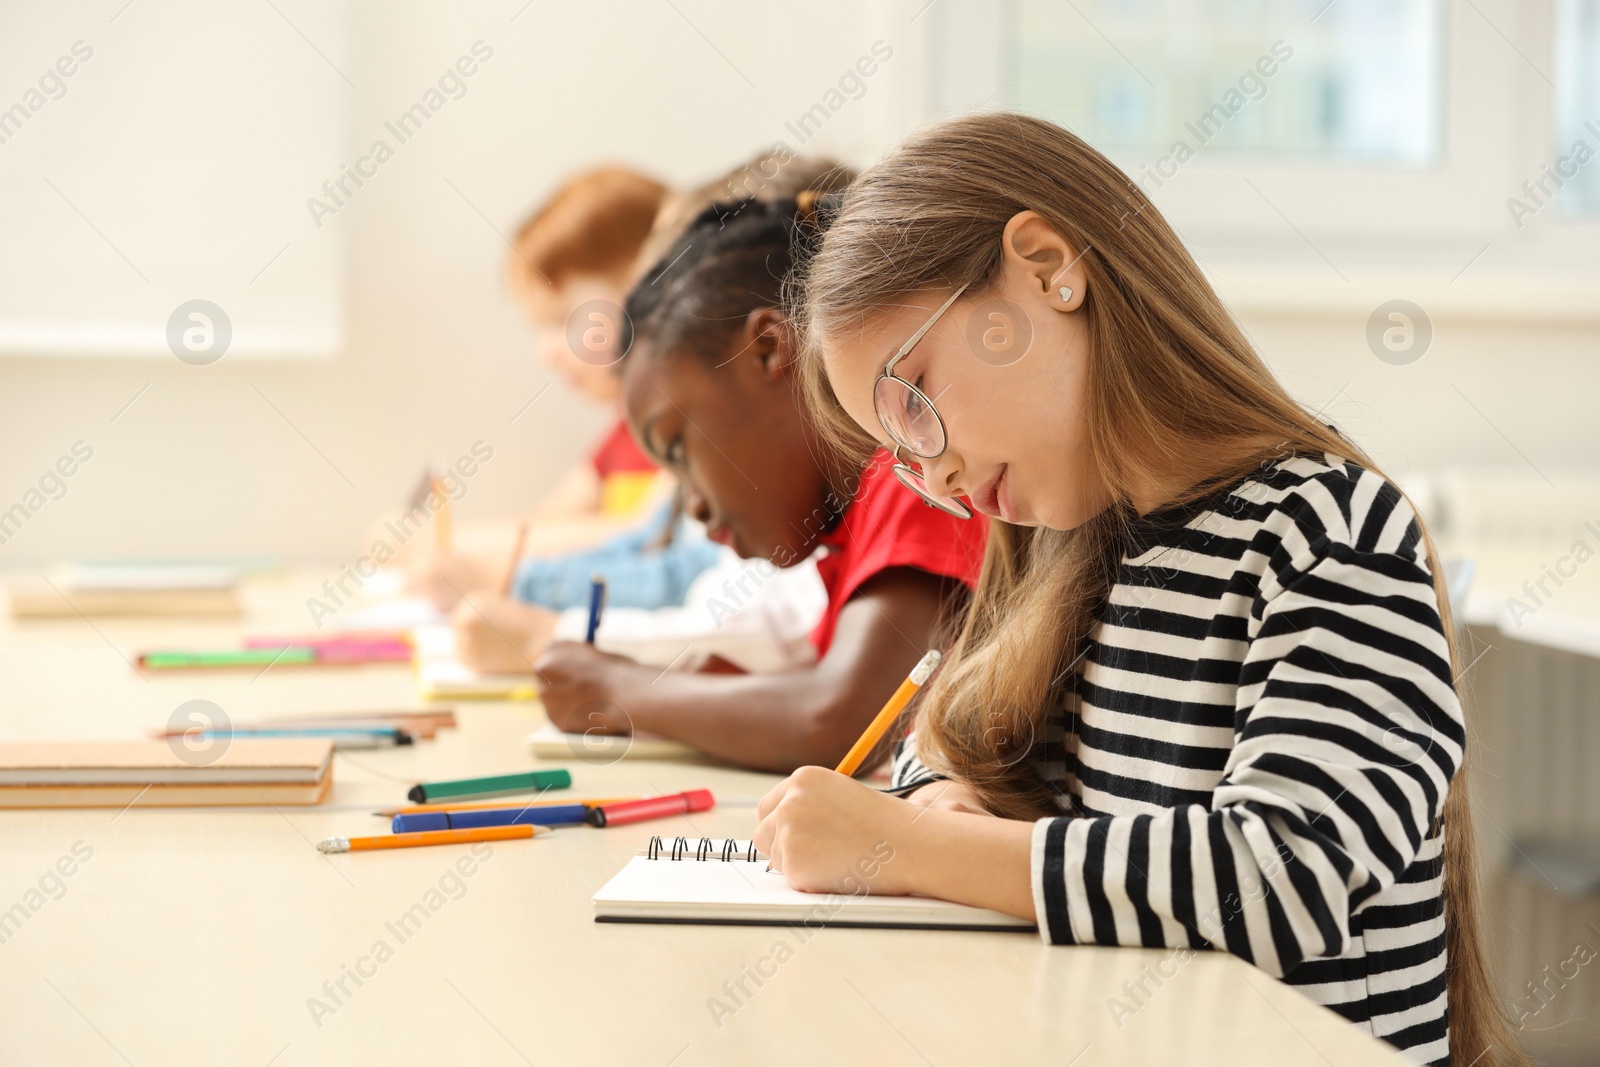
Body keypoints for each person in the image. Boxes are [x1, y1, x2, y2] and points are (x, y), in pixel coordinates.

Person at [753, 113, 1525, 1067]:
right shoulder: (1064, 542)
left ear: (1047, 269)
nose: (933, 475)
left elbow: (1279, 879)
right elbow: (950, 756)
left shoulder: (1329, 532)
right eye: (898, 456)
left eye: (912, 399)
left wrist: (910, 847)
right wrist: (942, 802)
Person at [457, 196, 990, 773]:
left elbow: (838, 719)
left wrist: (619, 690)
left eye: (681, 448)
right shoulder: (846, 529)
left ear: (767, 351)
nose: (694, 508)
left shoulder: (909, 471)